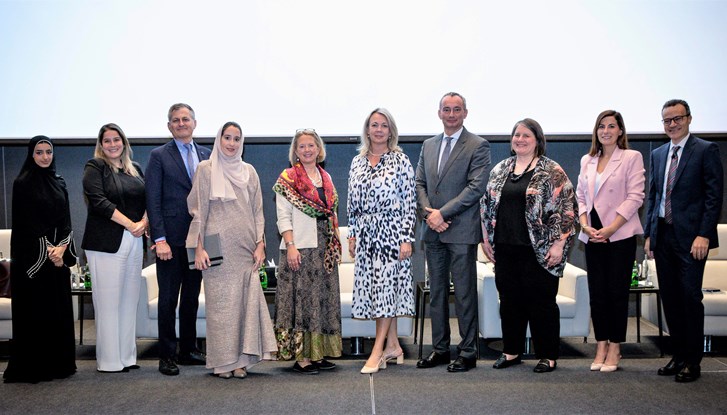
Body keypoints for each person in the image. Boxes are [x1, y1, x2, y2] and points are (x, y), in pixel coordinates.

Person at [480, 118, 576, 373]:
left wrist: (558, 245)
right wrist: (486, 240)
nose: (520, 139)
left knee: (541, 304)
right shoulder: (501, 169)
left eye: (526, 136)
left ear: (537, 140)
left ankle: (548, 355)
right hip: (505, 248)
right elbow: (486, 206)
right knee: (510, 303)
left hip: (540, 250)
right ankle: (511, 352)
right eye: (516, 135)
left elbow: (568, 210)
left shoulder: (551, 170)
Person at [186, 121, 277, 379]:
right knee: (221, 308)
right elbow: (198, 209)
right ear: (219, 139)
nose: (232, 143)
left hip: (245, 249)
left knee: (244, 306)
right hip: (216, 248)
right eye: (227, 137)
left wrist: (260, 244)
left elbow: (258, 211)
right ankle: (222, 363)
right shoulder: (206, 169)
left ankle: (241, 362)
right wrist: (198, 247)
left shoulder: (250, 172)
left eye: (237, 138)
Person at [644, 99, 723, 383]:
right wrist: (649, 234)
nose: (672, 124)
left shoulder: (705, 150)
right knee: (671, 299)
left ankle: (693, 361)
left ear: (689, 119)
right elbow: (654, 197)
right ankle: (677, 356)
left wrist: (704, 234)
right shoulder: (659, 154)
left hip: (692, 239)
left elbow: (714, 197)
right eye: (667, 120)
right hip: (663, 235)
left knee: (690, 298)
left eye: (677, 118)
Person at [415, 92, 491, 372]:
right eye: (446, 109)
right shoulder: (428, 145)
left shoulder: (478, 145)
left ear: (465, 113)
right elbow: (419, 183)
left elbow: (475, 188)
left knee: (464, 294)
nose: (451, 114)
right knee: (436, 294)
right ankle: (440, 350)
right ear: (439, 113)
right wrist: (428, 215)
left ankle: (468, 352)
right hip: (433, 231)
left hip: (459, 231)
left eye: (456, 109)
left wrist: (441, 214)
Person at [3, 136, 77, 383]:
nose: (45, 157)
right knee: (37, 312)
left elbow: (66, 219)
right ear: (31, 155)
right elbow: (27, 225)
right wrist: (50, 251)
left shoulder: (59, 182)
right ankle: (37, 366)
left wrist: (62, 248)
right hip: (33, 261)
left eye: (48, 152)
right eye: (39, 152)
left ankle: (59, 364)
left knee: (58, 311)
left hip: (57, 259)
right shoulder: (22, 183)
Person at [347, 109, 416, 374]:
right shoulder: (357, 161)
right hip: (365, 234)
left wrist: (406, 239)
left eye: (383, 125)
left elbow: (409, 203)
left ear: (390, 131)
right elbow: (352, 203)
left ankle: (376, 352)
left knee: (387, 291)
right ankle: (393, 346)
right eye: (374, 125)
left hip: (392, 232)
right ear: (367, 130)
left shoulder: (400, 160)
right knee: (377, 290)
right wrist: (352, 234)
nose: (378, 130)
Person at [576, 111, 645, 372]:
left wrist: (611, 228)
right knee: (598, 294)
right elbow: (581, 197)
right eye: (601, 127)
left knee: (617, 293)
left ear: (620, 131)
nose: (605, 131)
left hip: (619, 235)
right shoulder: (587, 160)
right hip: (592, 234)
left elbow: (636, 197)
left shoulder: (631, 157)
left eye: (611, 126)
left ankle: (615, 346)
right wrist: (585, 225)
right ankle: (600, 344)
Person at [145, 103, 211, 376]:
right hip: (170, 240)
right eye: (175, 120)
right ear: (169, 126)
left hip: (200, 240)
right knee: (168, 298)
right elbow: (153, 199)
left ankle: (187, 349)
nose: (181, 123)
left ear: (195, 123)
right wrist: (159, 238)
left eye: (186, 119)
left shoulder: (208, 155)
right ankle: (167, 355)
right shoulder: (159, 155)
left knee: (192, 297)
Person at [273, 128, 342, 375]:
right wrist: (290, 245)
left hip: (324, 250)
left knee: (322, 302)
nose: (307, 150)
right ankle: (302, 357)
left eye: (311, 145)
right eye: (302, 146)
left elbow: (331, 214)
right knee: (302, 303)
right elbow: (282, 216)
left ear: (319, 148)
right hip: (300, 249)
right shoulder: (288, 178)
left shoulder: (326, 178)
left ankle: (318, 353)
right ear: (295, 151)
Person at [82, 123, 147, 373]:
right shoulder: (95, 167)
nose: (112, 144)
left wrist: (143, 222)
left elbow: (147, 199)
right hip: (105, 243)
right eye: (107, 141)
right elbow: (98, 201)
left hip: (134, 239)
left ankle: (127, 356)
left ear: (124, 142)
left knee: (129, 301)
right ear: (101, 145)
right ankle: (109, 361)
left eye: (116, 139)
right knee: (108, 303)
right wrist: (131, 224)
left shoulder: (136, 169)